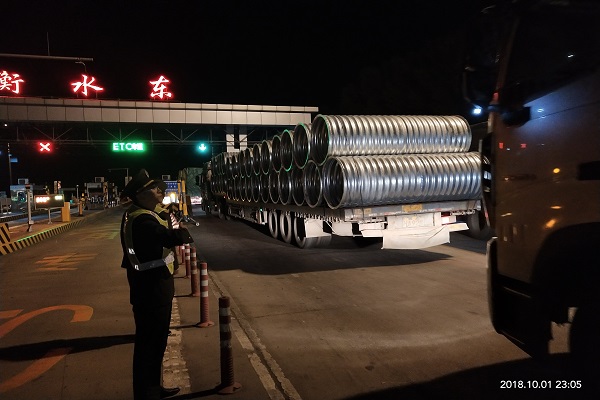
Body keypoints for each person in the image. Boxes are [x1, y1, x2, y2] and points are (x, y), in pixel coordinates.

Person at [119, 169, 194, 400]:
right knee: (150, 344)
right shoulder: (142, 219)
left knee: (153, 343)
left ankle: (151, 387)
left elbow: (161, 224)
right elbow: (166, 236)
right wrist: (183, 232)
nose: (160, 191)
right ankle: (147, 393)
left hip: (149, 285)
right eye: (153, 188)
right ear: (140, 194)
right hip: (151, 288)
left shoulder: (140, 213)